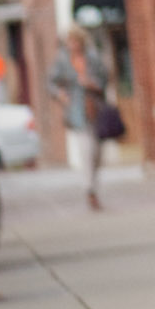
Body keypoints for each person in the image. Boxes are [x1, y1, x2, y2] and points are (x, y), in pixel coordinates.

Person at [48, 29, 110, 210]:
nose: (73, 45)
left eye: (75, 41)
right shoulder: (62, 60)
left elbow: (105, 79)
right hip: (77, 112)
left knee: (97, 154)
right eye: (70, 41)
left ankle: (93, 185)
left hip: (95, 109)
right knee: (87, 150)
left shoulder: (93, 57)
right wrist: (60, 94)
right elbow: (51, 82)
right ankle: (89, 189)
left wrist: (92, 83)